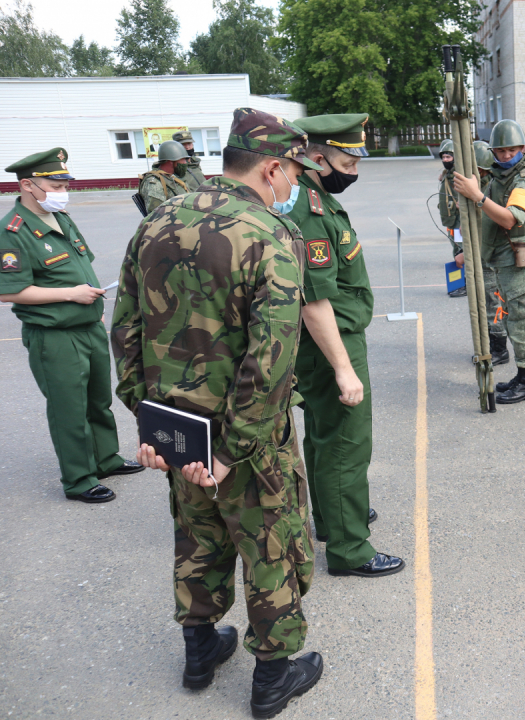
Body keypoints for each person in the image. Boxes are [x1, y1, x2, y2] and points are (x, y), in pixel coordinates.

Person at [111, 108, 325, 717]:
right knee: (270, 546)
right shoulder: (268, 234)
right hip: (244, 441)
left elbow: (124, 328)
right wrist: (236, 449)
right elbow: (273, 355)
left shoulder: (156, 221)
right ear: (272, 167)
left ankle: (199, 652)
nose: (292, 188)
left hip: (177, 429)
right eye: (291, 176)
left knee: (198, 536)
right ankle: (272, 679)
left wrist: (150, 425)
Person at [287, 113, 405, 579]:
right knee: (345, 444)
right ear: (317, 158)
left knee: (323, 438)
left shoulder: (315, 199)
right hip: (330, 342)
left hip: (327, 339)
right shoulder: (309, 212)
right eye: (347, 161)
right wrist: (343, 366)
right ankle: (350, 549)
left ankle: (332, 519)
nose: (353, 170)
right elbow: (314, 302)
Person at [0, 147, 144, 503]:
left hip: (89, 325)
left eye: (65, 182)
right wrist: (71, 294)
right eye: (55, 183)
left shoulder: (61, 219)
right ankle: (79, 479)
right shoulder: (12, 231)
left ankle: (106, 459)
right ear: (28, 185)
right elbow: (10, 292)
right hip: (54, 335)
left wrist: (88, 299)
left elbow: (81, 264)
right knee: (69, 409)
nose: (63, 189)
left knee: (98, 400)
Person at [453, 119, 525, 404]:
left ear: (523, 147)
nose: (505, 155)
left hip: (517, 260)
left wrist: (477, 196)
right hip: (499, 257)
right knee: (508, 318)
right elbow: (488, 221)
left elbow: (508, 218)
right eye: (500, 150)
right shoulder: (500, 177)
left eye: (511, 150)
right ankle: (521, 375)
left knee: (519, 320)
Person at [473, 140, 509, 365]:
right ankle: (490, 343)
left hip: (491, 254)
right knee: (485, 301)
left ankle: (499, 348)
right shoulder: (479, 188)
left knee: (493, 300)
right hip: (481, 251)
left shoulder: (491, 189)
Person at [438, 139, 468, 298]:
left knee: (462, 252)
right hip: (451, 222)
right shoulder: (448, 174)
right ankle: (461, 283)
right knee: (457, 250)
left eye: (448, 157)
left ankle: (466, 284)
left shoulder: (459, 176)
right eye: (443, 157)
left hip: (459, 223)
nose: (445, 160)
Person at [137, 140, 191, 214]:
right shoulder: (154, 182)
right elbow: (156, 214)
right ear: (171, 161)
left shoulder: (175, 178)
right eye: (183, 159)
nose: (185, 162)